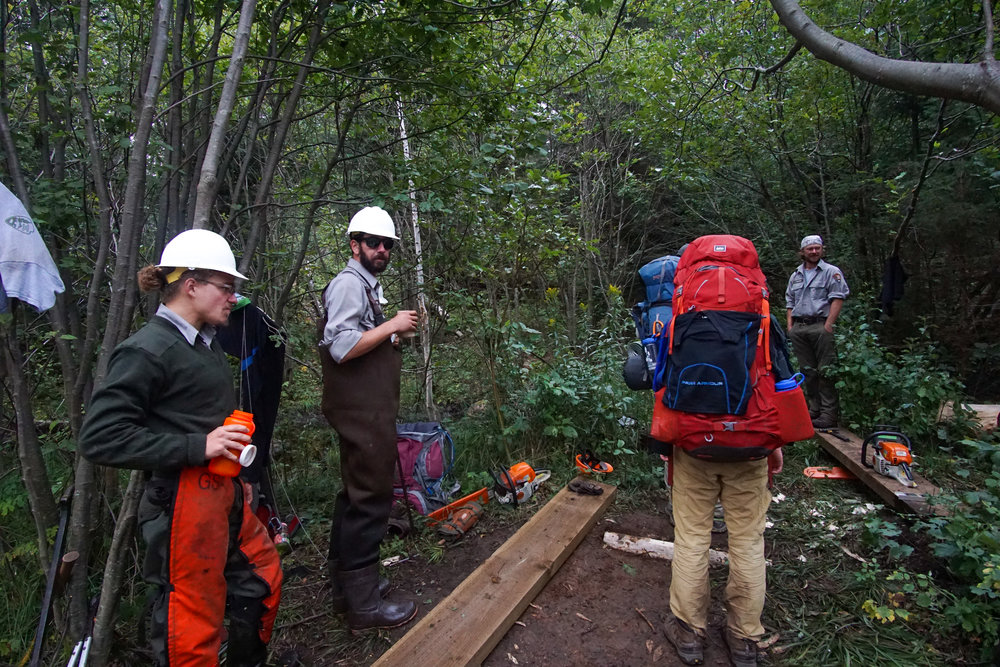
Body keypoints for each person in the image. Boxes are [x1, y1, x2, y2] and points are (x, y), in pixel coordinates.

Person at [79, 229, 282, 667]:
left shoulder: (203, 345)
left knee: (261, 580)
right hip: (181, 508)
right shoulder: (147, 350)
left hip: (223, 497)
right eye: (226, 288)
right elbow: (99, 437)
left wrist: (239, 479)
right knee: (190, 628)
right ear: (191, 286)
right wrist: (199, 445)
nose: (233, 298)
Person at [318, 206, 419, 631]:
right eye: (373, 243)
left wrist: (390, 333)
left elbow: (359, 340)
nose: (381, 250)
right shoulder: (347, 285)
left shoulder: (364, 287)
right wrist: (393, 323)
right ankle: (363, 607)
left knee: (354, 495)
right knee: (371, 499)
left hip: (365, 409)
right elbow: (340, 346)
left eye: (387, 245)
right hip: (360, 411)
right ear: (354, 244)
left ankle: (348, 590)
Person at [662, 449, 784, 667]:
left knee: (692, 540)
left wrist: (665, 443)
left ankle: (689, 633)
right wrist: (775, 448)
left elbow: (664, 416)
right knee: (748, 545)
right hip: (751, 454)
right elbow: (783, 416)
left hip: (693, 451)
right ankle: (743, 638)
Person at [784, 234, 850, 428]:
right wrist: (790, 326)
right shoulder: (796, 275)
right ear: (802, 252)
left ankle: (829, 415)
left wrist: (829, 325)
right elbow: (790, 301)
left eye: (817, 248)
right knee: (807, 371)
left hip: (820, 325)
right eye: (810, 249)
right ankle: (814, 410)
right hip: (800, 327)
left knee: (825, 371)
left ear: (822, 250)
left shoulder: (830, 272)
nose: (814, 251)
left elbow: (838, 297)